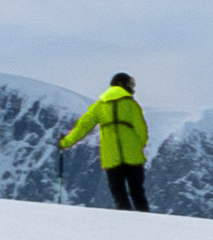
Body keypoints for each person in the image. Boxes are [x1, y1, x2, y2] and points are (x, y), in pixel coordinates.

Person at [59, 74, 152, 212]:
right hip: (133, 156)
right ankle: (146, 221)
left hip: (111, 157)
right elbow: (141, 130)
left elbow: (83, 127)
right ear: (123, 85)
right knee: (137, 192)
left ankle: (127, 221)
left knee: (119, 194)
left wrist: (65, 143)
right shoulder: (131, 104)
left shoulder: (100, 106)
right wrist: (139, 146)